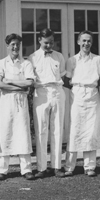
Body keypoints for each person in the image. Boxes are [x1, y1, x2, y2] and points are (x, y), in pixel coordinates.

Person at [0, 34, 36, 181]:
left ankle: (26, 169)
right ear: (7, 46)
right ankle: (2, 170)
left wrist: (9, 81)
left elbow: (30, 83)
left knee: (22, 132)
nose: (15, 47)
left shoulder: (26, 64)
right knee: (5, 132)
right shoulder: (1, 63)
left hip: (21, 103)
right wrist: (19, 86)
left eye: (17, 44)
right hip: (6, 103)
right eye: (12, 44)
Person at [63, 31, 100, 177]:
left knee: (91, 130)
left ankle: (89, 166)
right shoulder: (72, 60)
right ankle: (69, 166)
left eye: (89, 41)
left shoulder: (98, 59)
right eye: (84, 41)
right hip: (77, 95)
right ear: (78, 42)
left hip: (92, 95)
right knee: (75, 129)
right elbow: (67, 81)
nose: (86, 44)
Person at [29, 28, 67, 179]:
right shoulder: (32, 57)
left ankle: (57, 166)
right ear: (39, 40)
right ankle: (41, 167)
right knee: (41, 130)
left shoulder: (59, 56)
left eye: (51, 42)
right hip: (41, 92)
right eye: (46, 43)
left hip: (57, 91)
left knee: (57, 129)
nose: (49, 45)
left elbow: (64, 76)